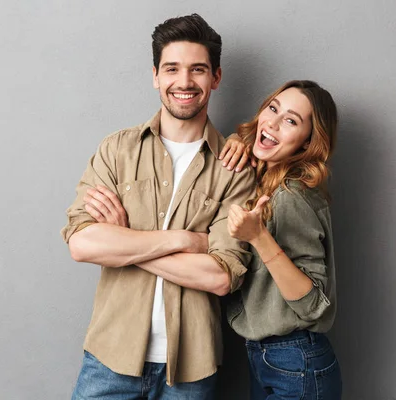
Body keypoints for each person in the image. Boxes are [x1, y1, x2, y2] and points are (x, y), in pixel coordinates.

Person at [60, 14, 255, 399]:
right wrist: (185, 240)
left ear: (215, 78)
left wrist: (124, 244)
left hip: (191, 368)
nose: (184, 82)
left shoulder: (234, 168)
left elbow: (219, 276)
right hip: (110, 357)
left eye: (197, 70)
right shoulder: (117, 150)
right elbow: (82, 245)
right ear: (155, 76)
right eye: (172, 69)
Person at [220, 79, 342, 399]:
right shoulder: (264, 181)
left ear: (306, 143)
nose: (272, 122)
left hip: (295, 358)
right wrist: (236, 141)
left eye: (290, 121)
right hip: (270, 357)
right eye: (272, 108)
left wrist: (259, 237)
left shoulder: (291, 195)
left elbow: (313, 303)